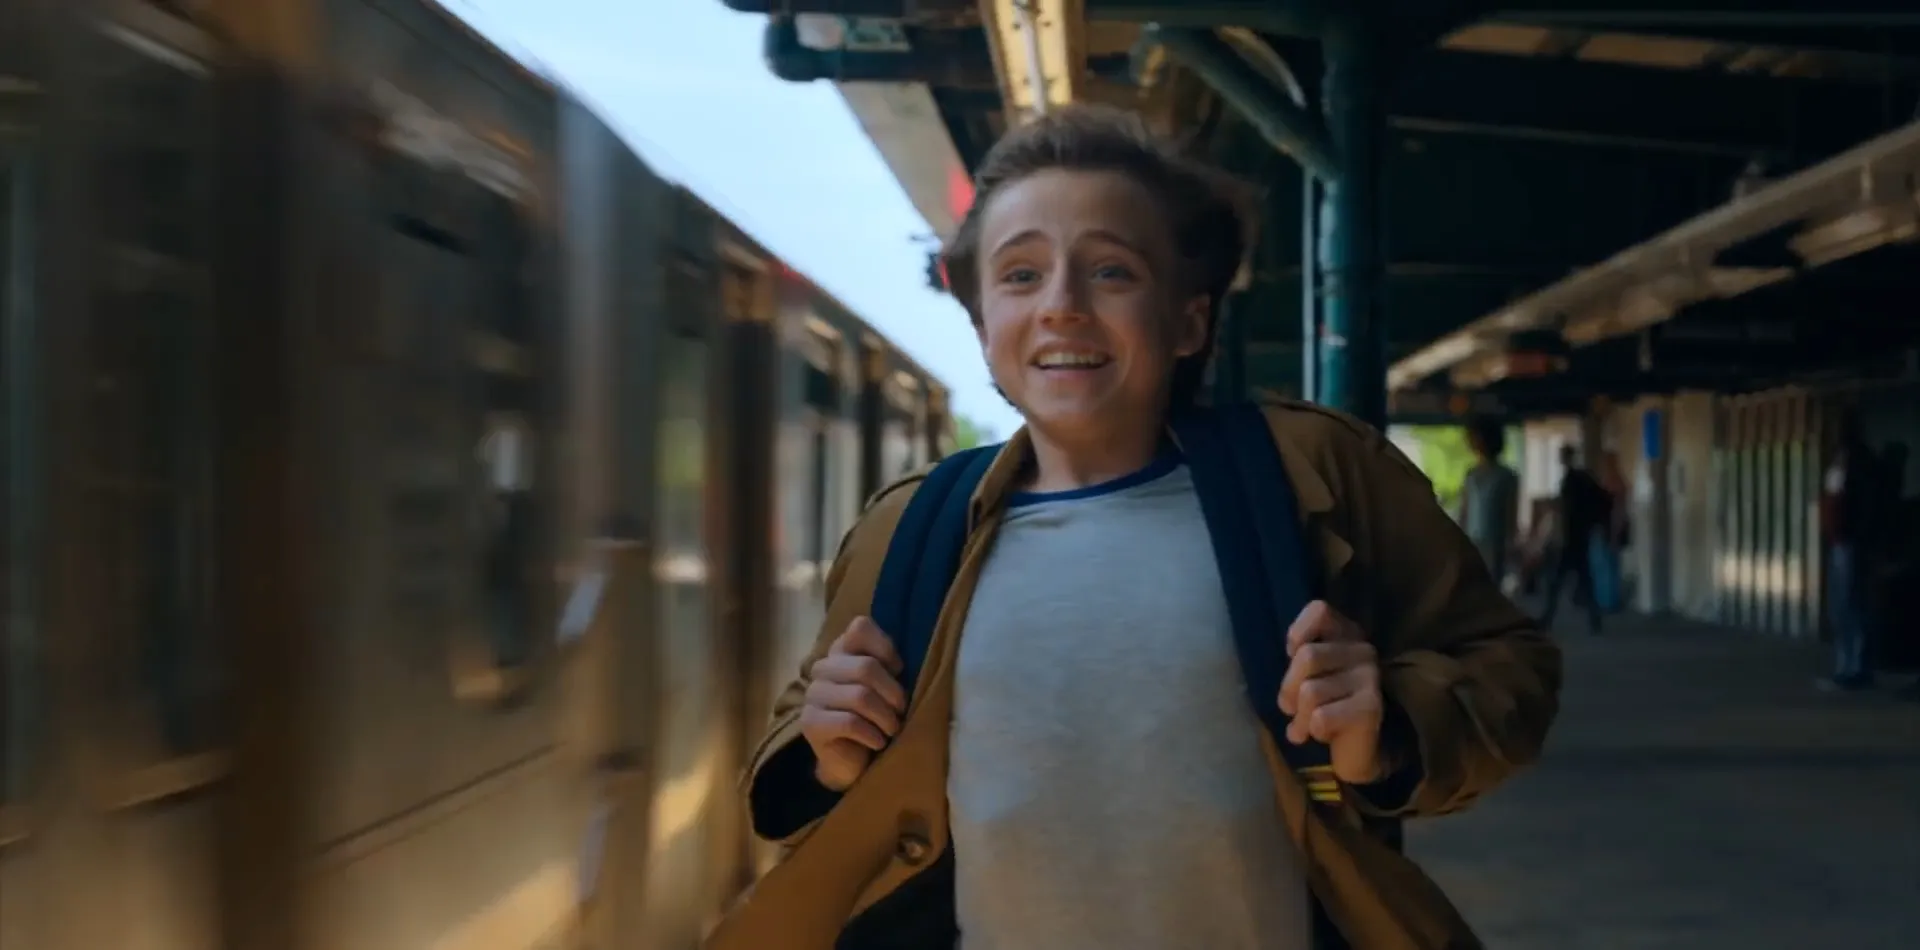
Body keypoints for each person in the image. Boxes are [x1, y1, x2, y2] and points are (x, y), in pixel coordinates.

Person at [706, 105, 1561, 950]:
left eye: (1111, 271)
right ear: (983, 326)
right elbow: (808, 745)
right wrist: (830, 758)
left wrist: (1391, 729)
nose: (1062, 305)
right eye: (1020, 275)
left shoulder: (1314, 477)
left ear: (1190, 320)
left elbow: (1507, 663)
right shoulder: (910, 528)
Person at [1819, 416, 1874, 691]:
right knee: (1845, 605)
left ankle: (1852, 667)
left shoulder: (1853, 464)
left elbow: (1841, 502)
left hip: (1846, 541)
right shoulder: (1849, 463)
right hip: (1842, 540)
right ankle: (1850, 665)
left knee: (1846, 605)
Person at [1539, 444, 1609, 634]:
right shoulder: (1583, 478)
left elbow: (1567, 509)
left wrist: (1559, 532)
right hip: (1581, 534)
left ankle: (1548, 617)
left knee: (1557, 579)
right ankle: (1594, 618)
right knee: (1584, 579)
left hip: (1571, 536)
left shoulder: (1571, 480)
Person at [1457, 419, 1520, 586]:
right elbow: (1464, 511)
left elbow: (1511, 513)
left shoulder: (1506, 476)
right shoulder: (1471, 475)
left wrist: (1510, 543)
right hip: (1472, 541)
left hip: (1495, 544)